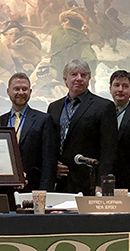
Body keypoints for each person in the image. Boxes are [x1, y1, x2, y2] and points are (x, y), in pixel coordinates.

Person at [47, 59, 117, 195]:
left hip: (88, 181)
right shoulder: (54, 107)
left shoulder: (103, 107)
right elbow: (49, 143)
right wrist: (52, 165)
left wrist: (102, 184)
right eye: (74, 74)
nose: (79, 78)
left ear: (89, 79)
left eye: (83, 75)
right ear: (65, 79)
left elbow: (109, 149)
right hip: (59, 181)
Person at [0, 73, 57, 192]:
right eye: (16, 89)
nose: (21, 92)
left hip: (33, 188)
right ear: (8, 91)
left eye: (24, 89)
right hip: (3, 188)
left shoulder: (44, 120)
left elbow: (49, 160)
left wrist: (44, 192)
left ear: (30, 92)